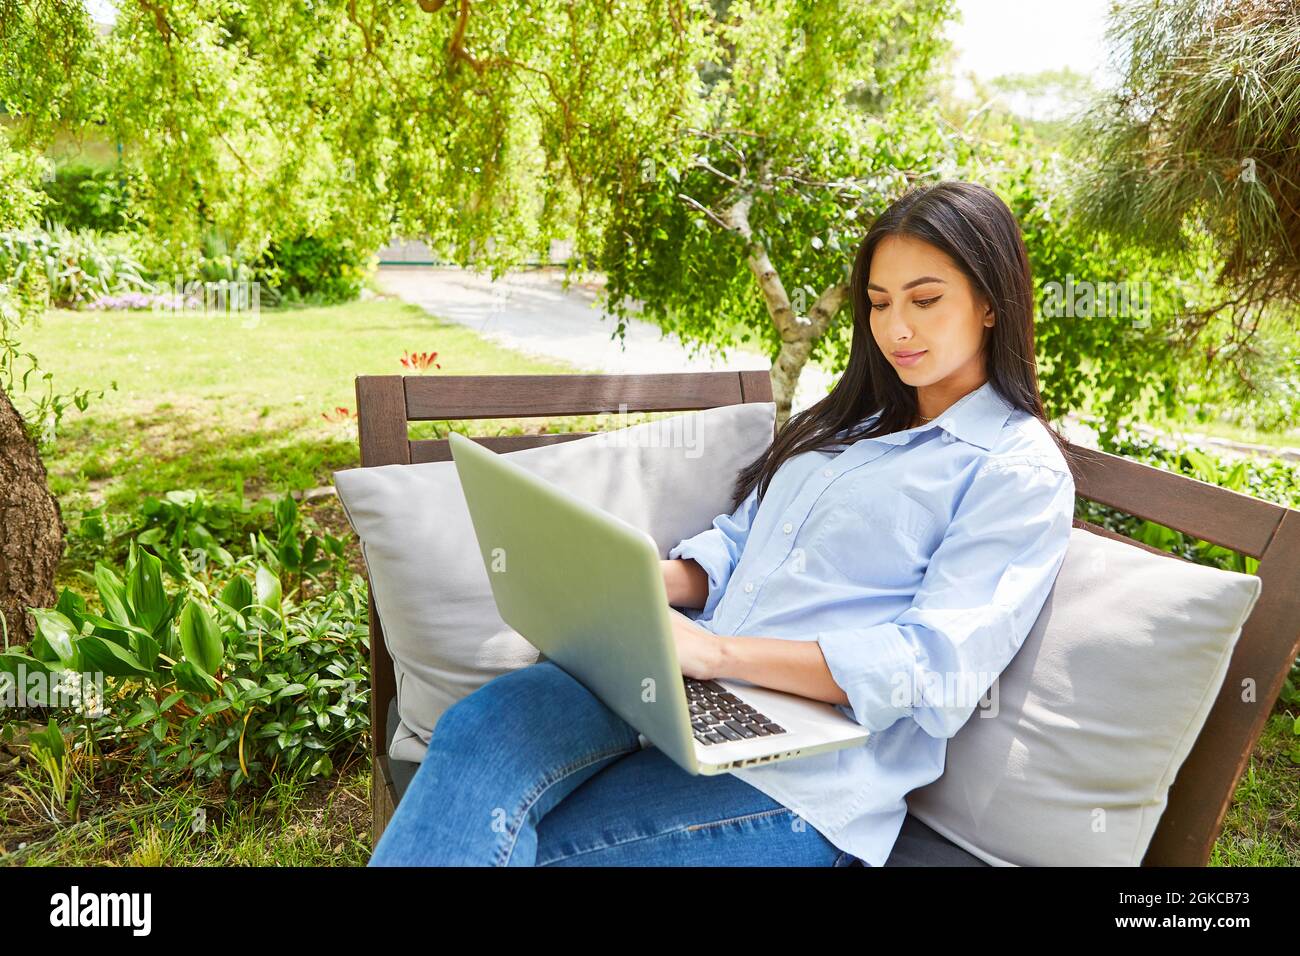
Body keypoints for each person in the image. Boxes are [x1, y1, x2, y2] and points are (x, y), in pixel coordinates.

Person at [368, 180, 1078, 867]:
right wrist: (637, 581)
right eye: (880, 301)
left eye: (926, 300)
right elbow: (743, 542)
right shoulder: (850, 422)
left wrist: (719, 658)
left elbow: (933, 672)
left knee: (530, 848)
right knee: (478, 732)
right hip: (675, 683)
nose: (896, 328)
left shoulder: (1016, 472)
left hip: (801, 781)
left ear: (991, 302)